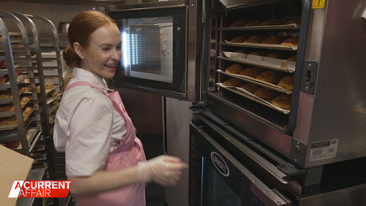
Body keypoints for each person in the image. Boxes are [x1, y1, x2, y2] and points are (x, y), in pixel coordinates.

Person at [53, 10, 187, 206]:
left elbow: (61, 141)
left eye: (118, 47)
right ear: (80, 50)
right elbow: (77, 185)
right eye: (105, 48)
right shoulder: (92, 101)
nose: (115, 56)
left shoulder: (77, 86)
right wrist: (148, 170)